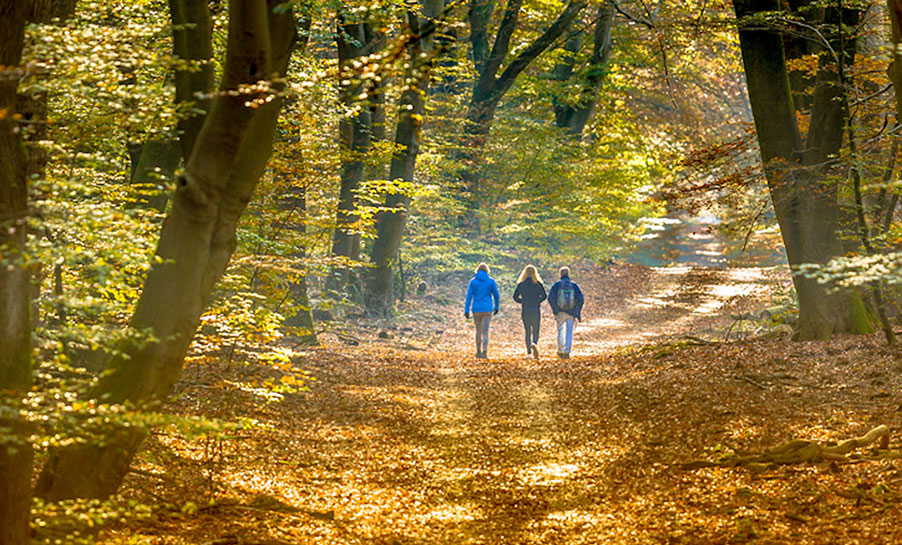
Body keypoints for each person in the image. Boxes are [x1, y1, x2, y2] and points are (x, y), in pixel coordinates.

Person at [464, 262, 500, 359]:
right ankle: (484, 351)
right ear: (487, 270)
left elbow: (468, 297)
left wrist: (466, 310)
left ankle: (478, 351)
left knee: (478, 331)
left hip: (476, 309)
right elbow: (496, 295)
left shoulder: (473, 281)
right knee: (485, 331)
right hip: (487, 309)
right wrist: (496, 307)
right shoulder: (491, 281)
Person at [547, 266, 584, 359]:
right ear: (568, 274)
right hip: (571, 312)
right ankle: (567, 351)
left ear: (560, 274)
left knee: (560, 331)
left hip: (560, 312)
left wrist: (556, 309)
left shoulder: (556, 285)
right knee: (569, 332)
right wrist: (576, 310)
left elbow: (550, 298)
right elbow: (580, 299)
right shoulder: (574, 285)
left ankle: (560, 350)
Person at [513, 265, 547, 359]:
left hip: (526, 310)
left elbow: (515, 297)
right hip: (535, 309)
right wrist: (537, 301)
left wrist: (523, 301)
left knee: (528, 331)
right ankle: (534, 343)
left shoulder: (521, 284)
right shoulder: (538, 284)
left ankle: (528, 353)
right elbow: (544, 296)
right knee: (536, 330)